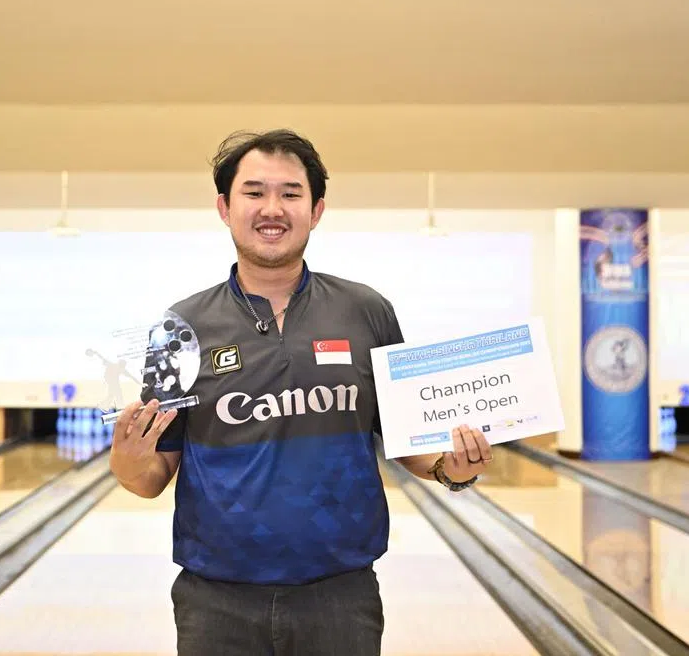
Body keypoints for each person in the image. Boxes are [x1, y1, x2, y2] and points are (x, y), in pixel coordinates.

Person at [109, 129, 492, 656]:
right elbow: (152, 478)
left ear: (316, 210)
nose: (273, 208)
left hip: (341, 593)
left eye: (291, 193)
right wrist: (126, 462)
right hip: (214, 600)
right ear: (224, 207)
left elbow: (410, 443)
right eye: (254, 192)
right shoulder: (180, 330)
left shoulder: (366, 311)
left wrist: (454, 467)